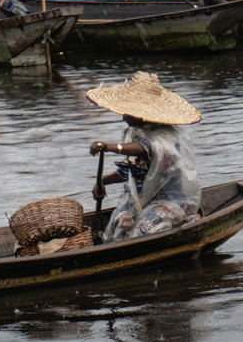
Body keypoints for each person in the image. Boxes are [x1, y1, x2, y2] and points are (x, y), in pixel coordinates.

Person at [84, 73, 202, 241]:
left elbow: (145, 149)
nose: (124, 116)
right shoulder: (136, 132)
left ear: (141, 114)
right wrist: (103, 181)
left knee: (141, 233)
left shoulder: (166, 136)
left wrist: (109, 147)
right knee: (120, 222)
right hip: (140, 196)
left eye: (128, 112)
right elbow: (132, 170)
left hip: (168, 199)